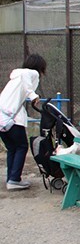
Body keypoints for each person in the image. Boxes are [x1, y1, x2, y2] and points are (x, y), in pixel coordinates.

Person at [0, 54, 46, 191]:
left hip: (2, 118)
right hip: (11, 118)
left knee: (12, 148)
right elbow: (28, 81)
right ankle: (14, 179)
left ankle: (11, 178)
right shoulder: (29, 73)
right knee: (21, 146)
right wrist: (33, 95)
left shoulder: (16, 77)